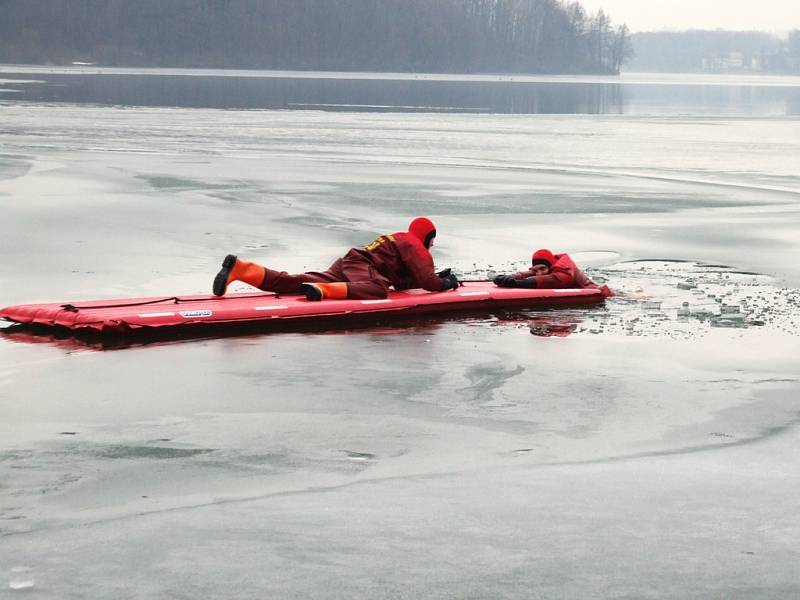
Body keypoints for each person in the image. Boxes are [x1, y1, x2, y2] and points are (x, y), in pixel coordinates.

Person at [212, 217, 460, 301]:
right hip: (364, 267)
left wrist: (433, 278)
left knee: (297, 282)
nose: (433, 245)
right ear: (427, 236)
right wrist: (447, 283)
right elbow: (428, 283)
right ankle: (324, 291)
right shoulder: (417, 247)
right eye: (433, 239)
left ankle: (242, 269)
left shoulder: (400, 239)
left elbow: (407, 281)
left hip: (351, 263)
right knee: (377, 289)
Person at [493, 248, 614, 296]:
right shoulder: (546, 268)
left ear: (551, 267)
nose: (539, 273)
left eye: (543, 269)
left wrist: (515, 283)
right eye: (536, 270)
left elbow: (553, 280)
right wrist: (511, 276)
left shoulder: (564, 271)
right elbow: (530, 273)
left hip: (602, 295)